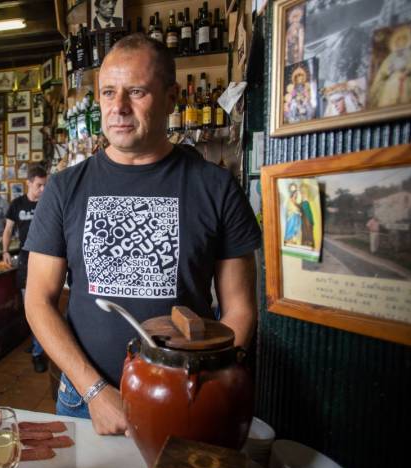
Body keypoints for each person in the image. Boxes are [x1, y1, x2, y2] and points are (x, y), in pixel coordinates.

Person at [23, 34, 261, 435]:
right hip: (85, 398)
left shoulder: (216, 188)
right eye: (108, 92)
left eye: (136, 92)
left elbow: (239, 309)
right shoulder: (64, 188)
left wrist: (200, 383)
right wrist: (95, 391)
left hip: (183, 398)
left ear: (170, 99)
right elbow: (37, 301)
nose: (118, 108)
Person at [2, 165, 49, 372]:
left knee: (44, 306)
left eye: (45, 185)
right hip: (24, 259)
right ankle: (37, 344)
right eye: (39, 185)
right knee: (30, 307)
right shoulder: (17, 204)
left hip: (47, 258)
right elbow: (8, 230)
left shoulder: (48, 202)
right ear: (28, 183)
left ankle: (39, 352)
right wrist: (4, 251)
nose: (42, 189)